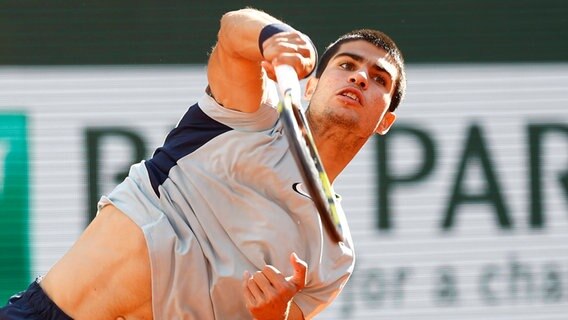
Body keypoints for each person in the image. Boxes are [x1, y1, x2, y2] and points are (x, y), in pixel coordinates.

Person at [0, 7, 405, 320]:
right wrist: (273, 36)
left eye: (379, 78)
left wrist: (272, 315)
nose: (360, 78)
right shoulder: (250, 118)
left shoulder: (335, 255)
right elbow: (232, 31)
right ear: (312, 84)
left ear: (386, 120)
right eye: (347, 65)